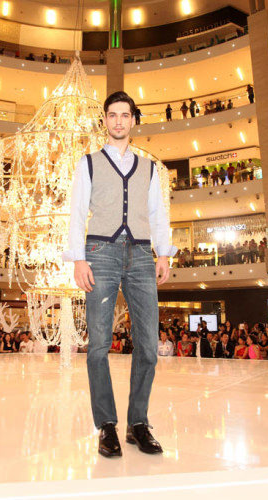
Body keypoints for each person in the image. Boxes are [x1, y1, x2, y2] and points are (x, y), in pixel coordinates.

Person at [63, 91, 175, 458]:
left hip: (142, 254)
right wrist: (78, 259)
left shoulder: (149, 168)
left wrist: (164, 253)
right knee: (98, 345)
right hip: (100, 253)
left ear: (133, 120)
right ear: (105, 120)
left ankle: (137, 423)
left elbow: (158, 213)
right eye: (112, 115)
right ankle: (107, 425)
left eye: (125, 115)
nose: (118, 121)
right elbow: (77, 212)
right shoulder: (88, 163)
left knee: (148, 345)